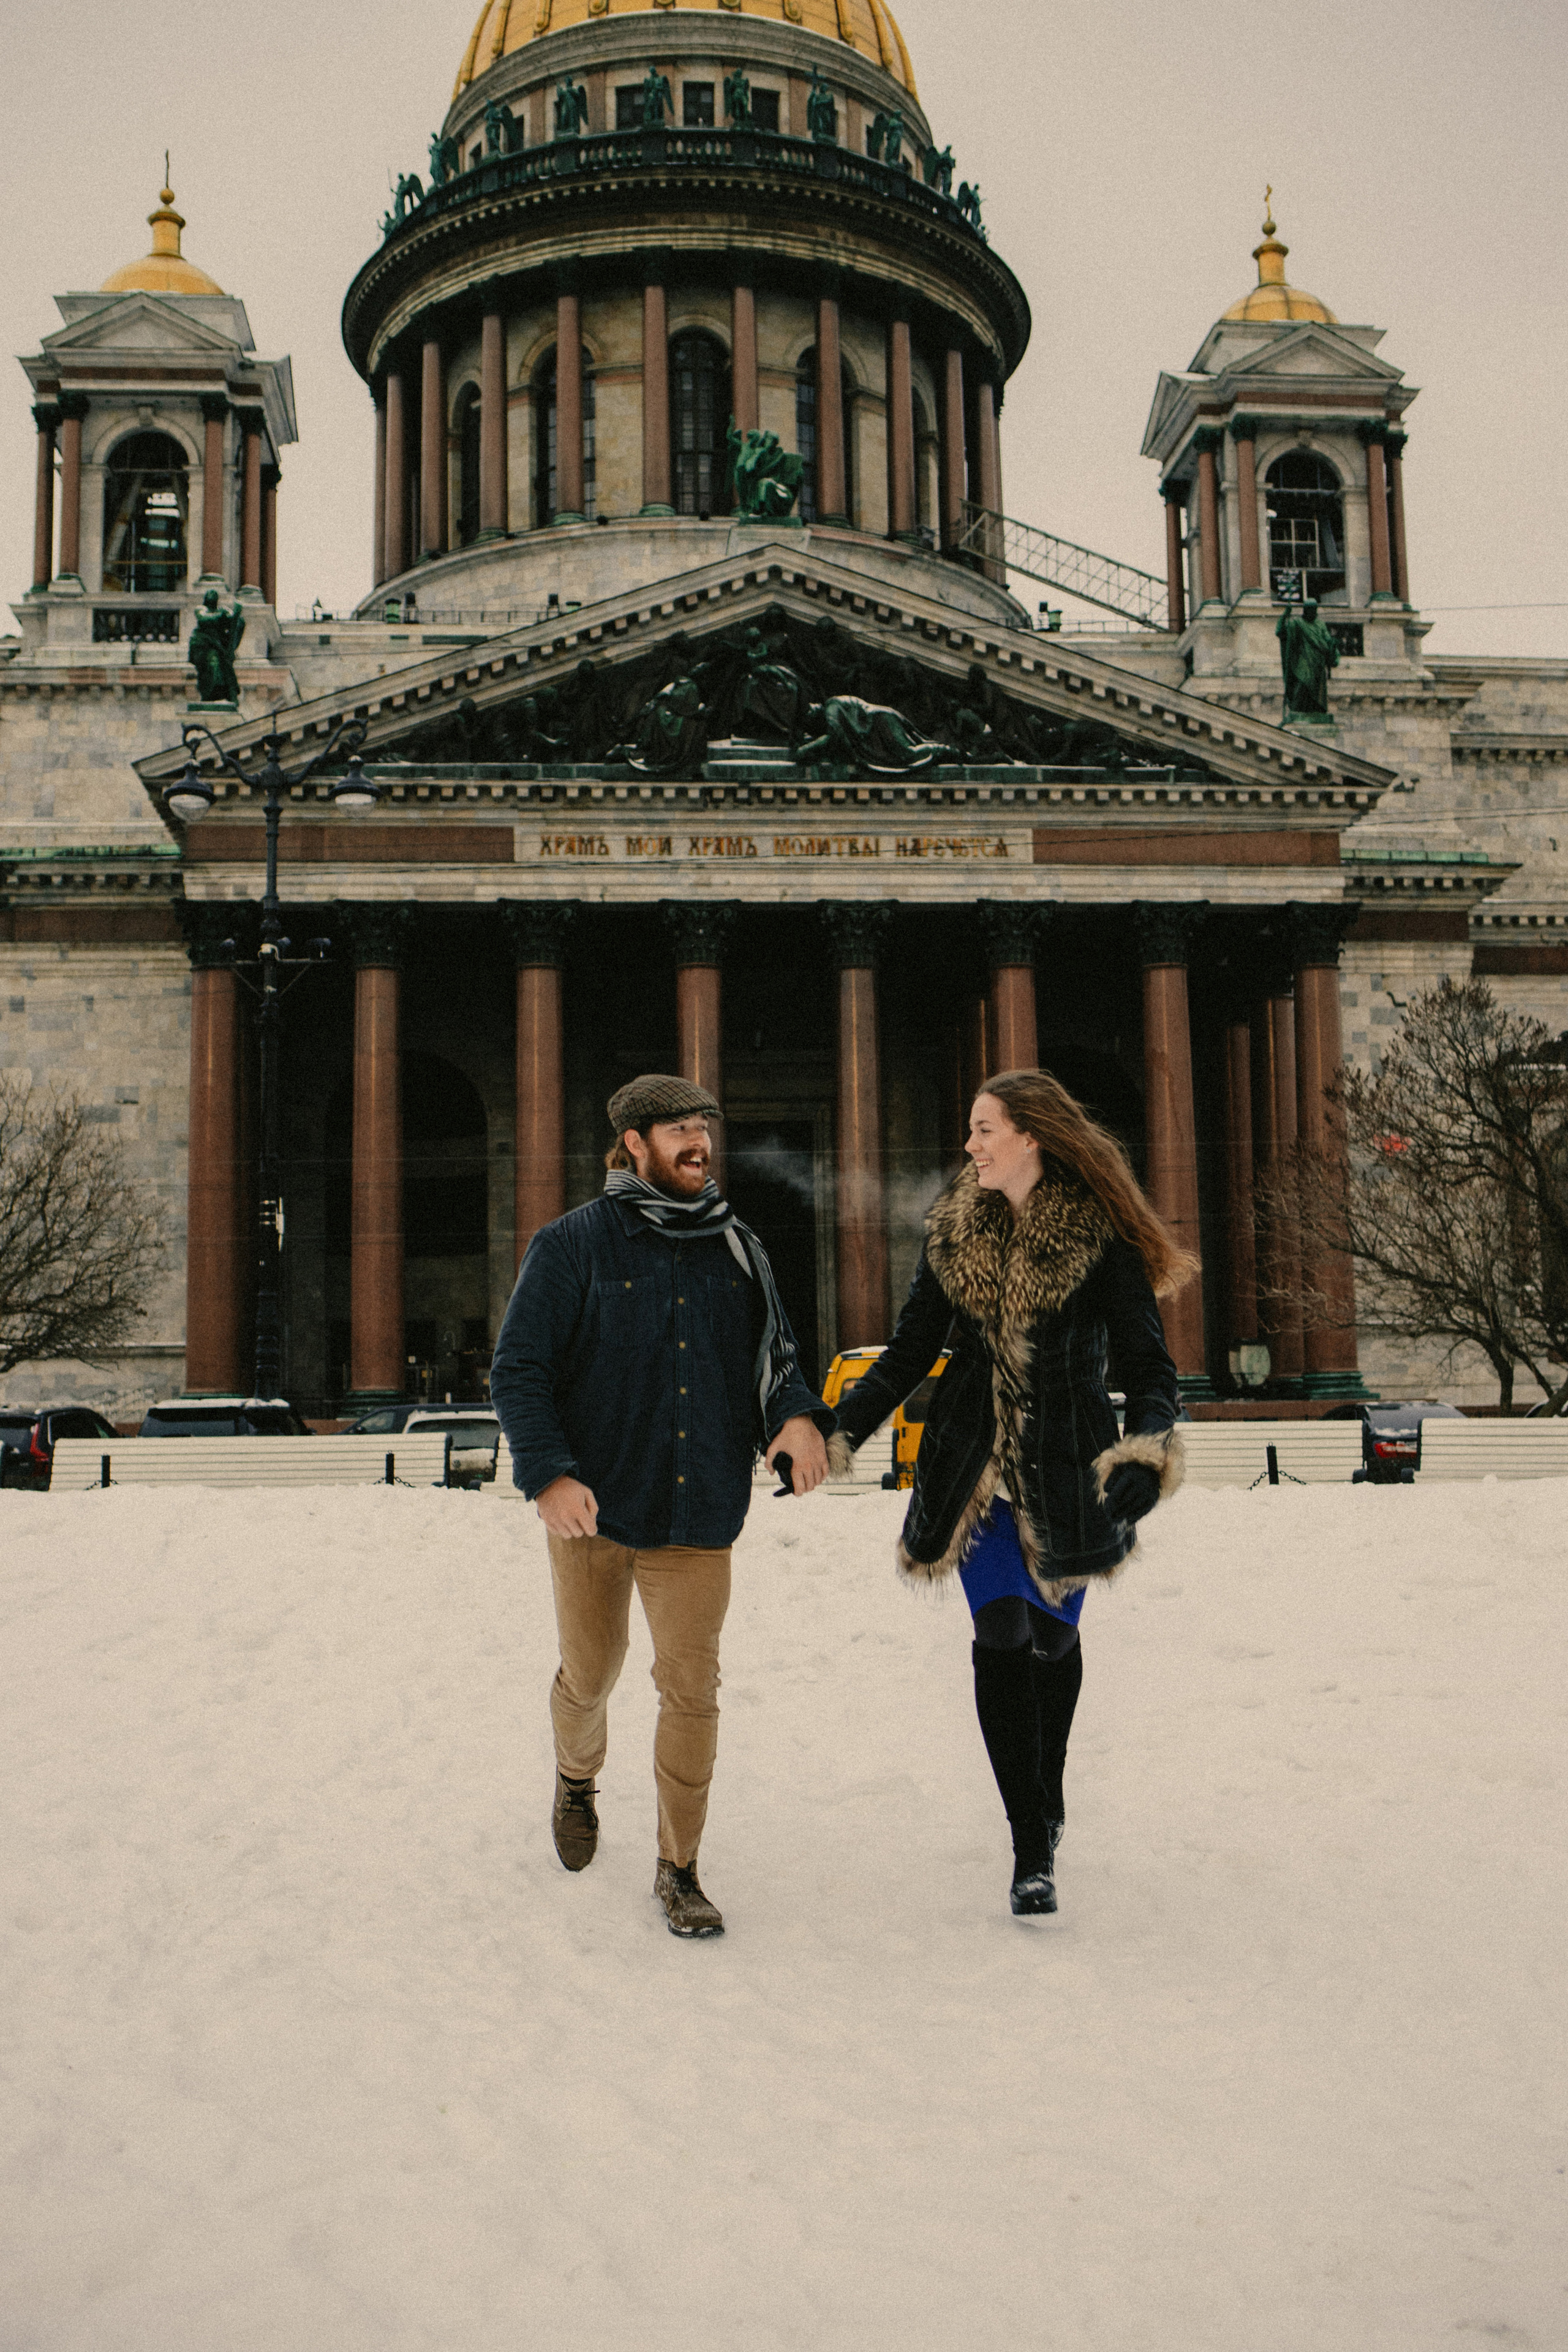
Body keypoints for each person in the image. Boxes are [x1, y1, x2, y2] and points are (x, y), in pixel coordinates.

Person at [827, 1068, 1195, 1916]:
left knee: (1052, 1645)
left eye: (984, 1129)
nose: (970, 1145)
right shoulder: (955, 1234)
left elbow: (1148, 1366)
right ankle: (1031, 1841)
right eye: (970, 1130)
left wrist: (1147, 1449)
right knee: (1001, 1628)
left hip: (1068, 1468)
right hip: (973, 1471)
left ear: (1031, 1135)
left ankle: (1047, 1795)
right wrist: (838, 1428)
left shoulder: (1098, 1239)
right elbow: (909, 1353)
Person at [491, 1075, 832, 1939]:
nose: (699, 1145)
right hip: (594, 1508)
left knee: (692, 1689)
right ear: (633, 1145)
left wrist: (794, 1417)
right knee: (592, 1673)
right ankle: (576, 1776)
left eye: (704, 1130)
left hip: (699, 1507)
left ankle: (678, 1868)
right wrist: (548, 1475)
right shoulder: (571, 1246)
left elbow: (778, 1357)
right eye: (679, 1131)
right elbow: (519, 1369)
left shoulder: (739, 1248)